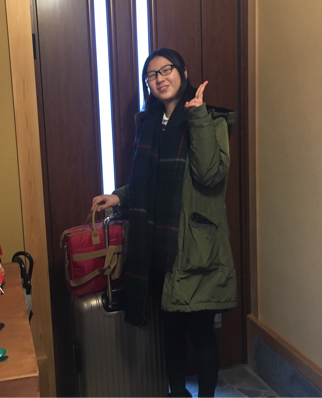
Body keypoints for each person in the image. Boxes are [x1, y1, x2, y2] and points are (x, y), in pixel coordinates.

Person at [91, 48, 237, 397]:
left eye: (166, 70)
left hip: (196, 246)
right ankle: (177, 393)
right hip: (159, 243)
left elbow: (211, 175)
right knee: (170, 332)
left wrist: (197, 115)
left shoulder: (210, 118)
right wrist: (120, 197)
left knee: (201, 332)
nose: (159, 79)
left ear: (183, 72)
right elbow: (148, 181)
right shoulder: (150, 124)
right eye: (152, 75)